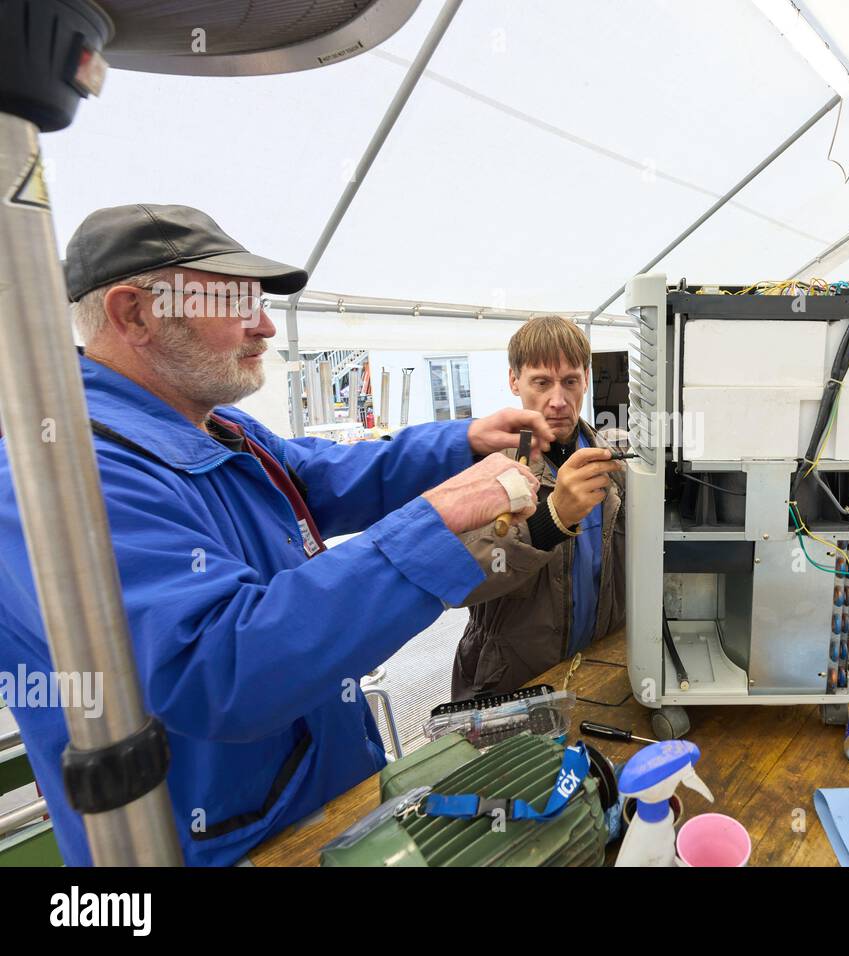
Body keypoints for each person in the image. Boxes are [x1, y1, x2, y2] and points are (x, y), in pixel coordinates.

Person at [0, 204, 554, 865]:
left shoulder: (217, 428)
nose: (264, 325)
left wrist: (456, 442)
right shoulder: (60, 480)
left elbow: (321, 475)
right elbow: (220, 667)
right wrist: (436, 521)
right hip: (221, 845)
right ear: (134, 314)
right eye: (237, 301)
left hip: (317, 804)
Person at [451, 315, 626, 698]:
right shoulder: (483, 467)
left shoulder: (616, 465)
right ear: (514, 381)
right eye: (541, 383)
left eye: (570, 381)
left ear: (587, 378)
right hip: (511, 683)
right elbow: (455, 581)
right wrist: (549, 520)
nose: (558, 401)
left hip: (599, 671)